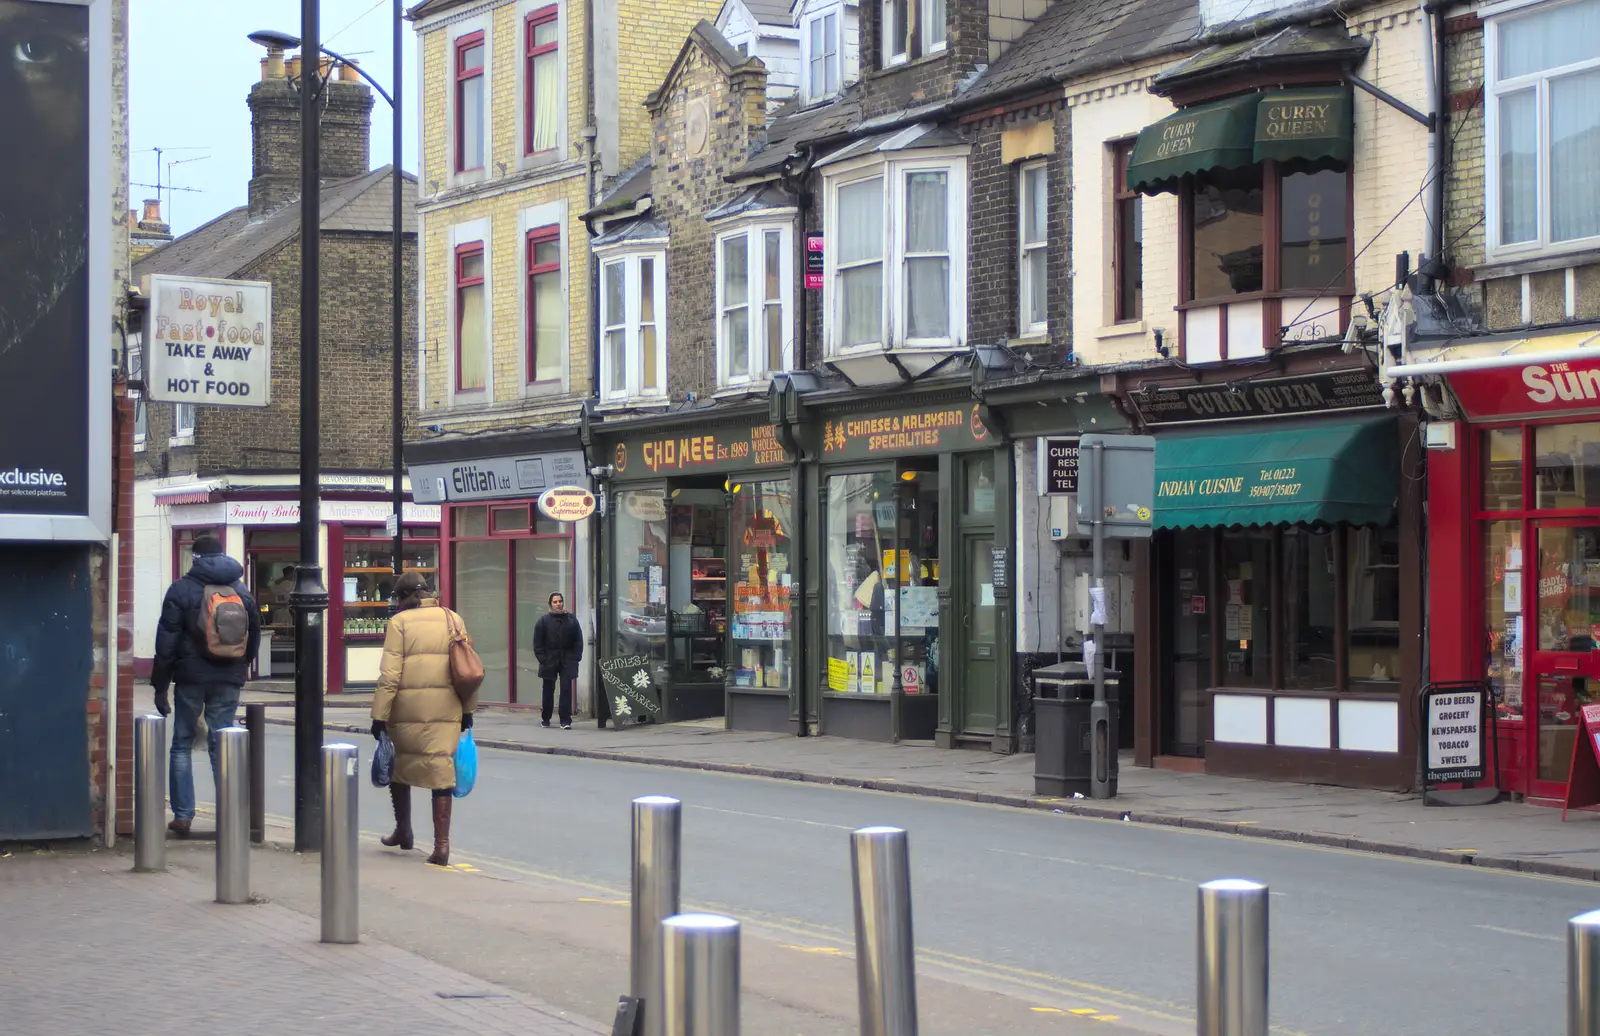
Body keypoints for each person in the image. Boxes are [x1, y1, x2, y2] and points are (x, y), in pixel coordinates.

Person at [150, 534, 261, 837]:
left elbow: (167, 642)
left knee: (182, 744)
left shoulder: (182, 589)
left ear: (195, 558)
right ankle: (229, 815)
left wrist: (160, 686)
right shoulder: (241, 589)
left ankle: (184, 815)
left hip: (191, 678)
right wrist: (240, 666)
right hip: (229, 677)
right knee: (223, 744)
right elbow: (254, 636)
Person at [371, 572, 476, 866]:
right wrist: (468, 710)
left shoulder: (399, 623)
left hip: (407, 709)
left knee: (397, 766)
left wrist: (379, 715)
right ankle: (441, 846)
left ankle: (404, 830)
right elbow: (467, 671)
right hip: (447, 708)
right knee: (441, 771)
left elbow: (390, 675)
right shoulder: (453, 619)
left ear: (402, 598)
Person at [533, 591, 582, 729]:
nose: (558, 604)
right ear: (550, 604)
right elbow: (537, 643)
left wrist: (576, 657)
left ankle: (565, 720)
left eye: (560, 601)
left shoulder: (571, 620)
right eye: (555, 602)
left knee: (566, 689)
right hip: (550, 659)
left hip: (567, 659)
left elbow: (578, 640)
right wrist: (543, 659)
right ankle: (546, 718)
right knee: (548, 689)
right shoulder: (543, 621)